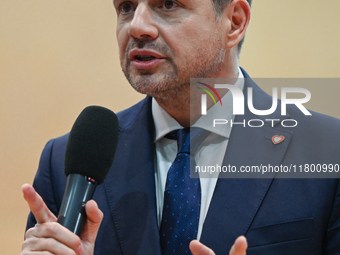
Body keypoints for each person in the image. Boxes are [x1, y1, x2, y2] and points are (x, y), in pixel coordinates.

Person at [21, 0, 340, 254]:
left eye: (168, 4)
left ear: (234, 22)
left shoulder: (328, 150)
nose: (137, 27)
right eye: (126, 7)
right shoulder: (67, 161)